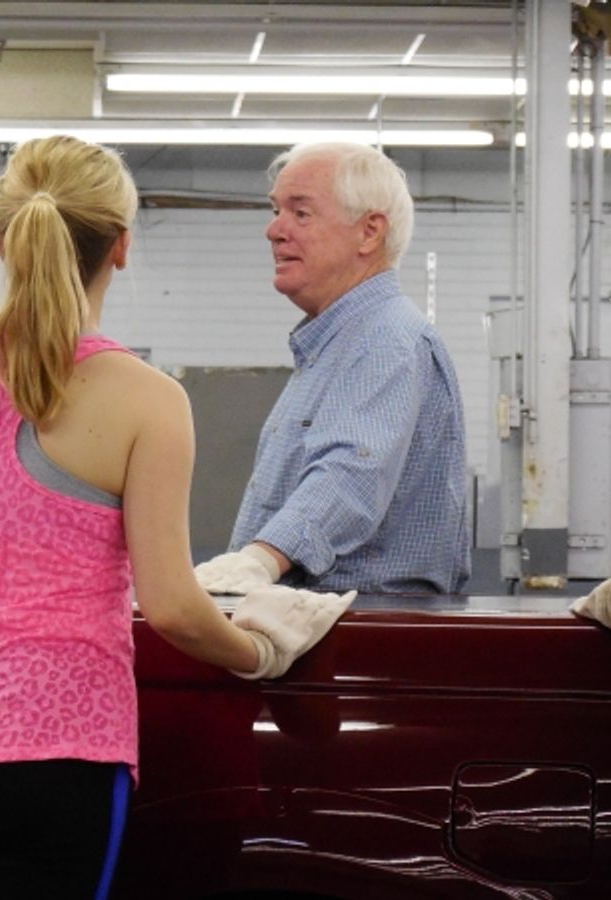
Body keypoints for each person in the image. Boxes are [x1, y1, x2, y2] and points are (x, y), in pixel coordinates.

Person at [0, 134, 354, 900]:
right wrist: (259, 651)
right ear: (122, 246)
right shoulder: (148, 402)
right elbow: (170, 606)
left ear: (2, 239)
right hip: (54, 746)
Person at [195, 141, 470, 597]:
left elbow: (350, 473)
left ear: (369, 233)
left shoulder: (385, 340)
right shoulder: (334, 346)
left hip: (365, 633)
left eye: (300, 213)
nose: (274, 230)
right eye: (276, 210)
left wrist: (260, 559)